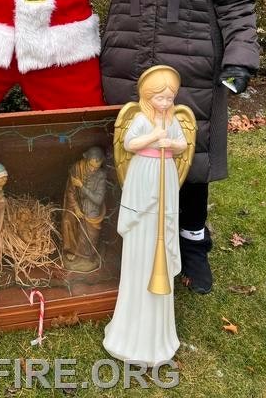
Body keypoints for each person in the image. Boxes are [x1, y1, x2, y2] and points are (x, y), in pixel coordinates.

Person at [89, 0, 259, 294]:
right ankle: (128, 241)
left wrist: (241, 56)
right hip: (125, 56)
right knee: (129, 152)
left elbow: (237, 1)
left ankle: (193, 245)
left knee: (190, 158)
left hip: (192, 60)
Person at [104, 66, 189, 365]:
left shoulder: (174, 119)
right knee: (142, 241)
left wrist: (173, 143)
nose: (166, 103)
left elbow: (182, 145)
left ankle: (158, 333)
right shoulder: (141, 118)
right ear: (148, 96)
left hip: (164, 177)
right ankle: (129, 330)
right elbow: (129, 144)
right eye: (161, 98)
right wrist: (154, 136)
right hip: (143, 178)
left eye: (170, 97)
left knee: (161, 235)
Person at [61, 146, 107, 272]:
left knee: (89, 234)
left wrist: (82, 187)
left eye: (96, 167)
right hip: (76, 203)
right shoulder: (77, 168)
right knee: (67, 221)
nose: (93, 169)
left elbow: (98, 200)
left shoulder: (101, 176)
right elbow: (70, 191)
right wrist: (76, 208)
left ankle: (85, 256)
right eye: (91, 166)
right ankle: (72, 250)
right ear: (86, 160)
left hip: (92, 210)